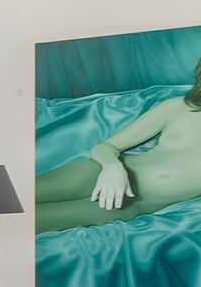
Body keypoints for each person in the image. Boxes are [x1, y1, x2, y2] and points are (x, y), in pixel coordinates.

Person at [36, 62, 201, 232]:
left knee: (29, 221)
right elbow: (106, 146)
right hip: (96, 174)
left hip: (124, 206)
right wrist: (112, 166)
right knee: (20, 198)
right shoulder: (178, 107)